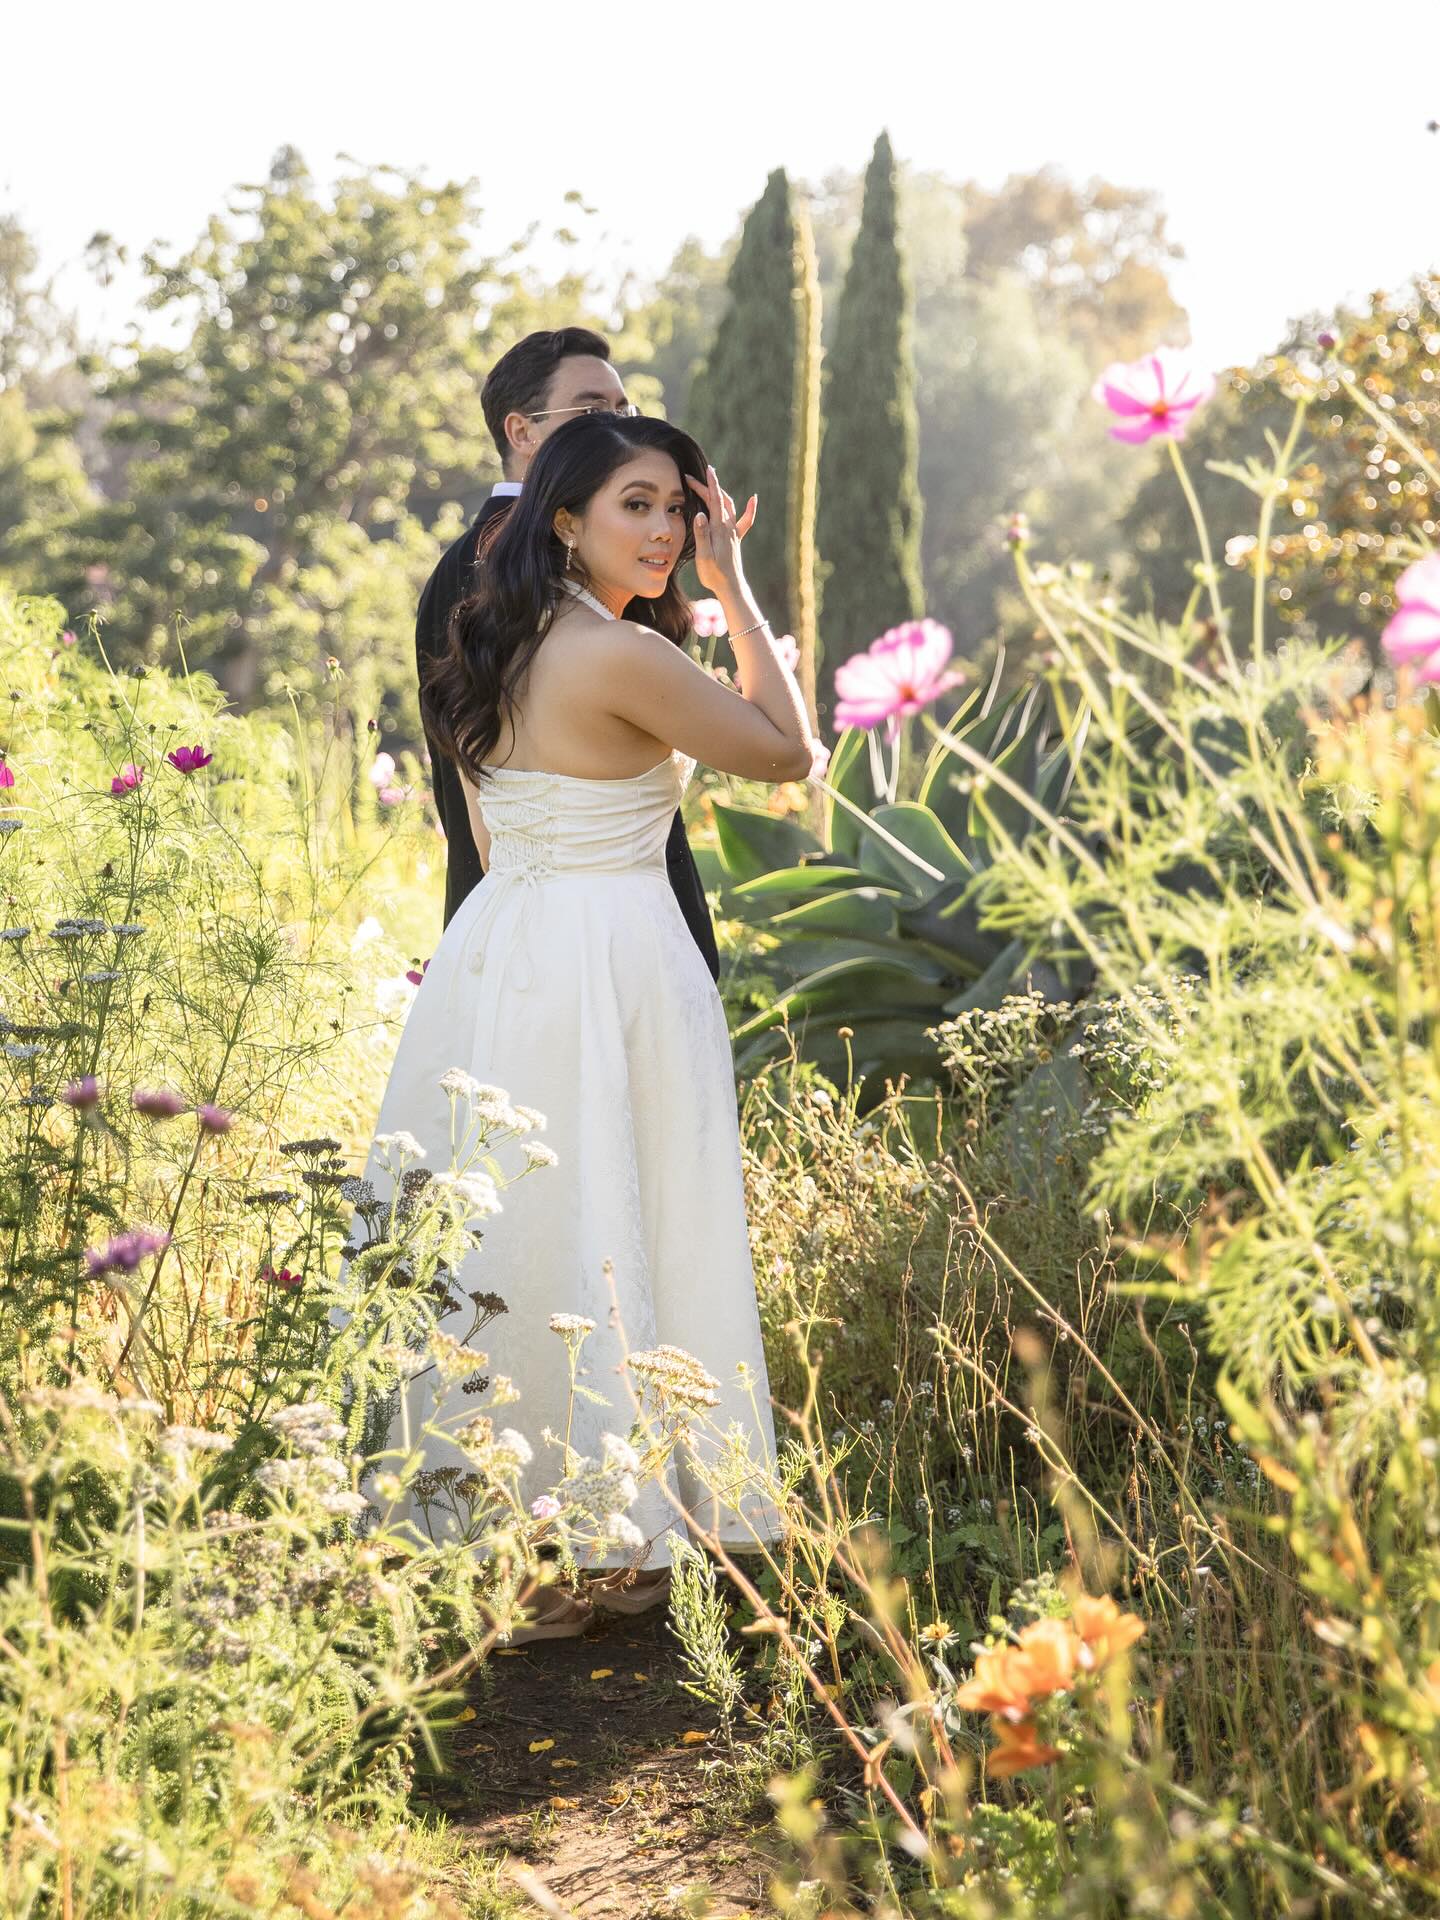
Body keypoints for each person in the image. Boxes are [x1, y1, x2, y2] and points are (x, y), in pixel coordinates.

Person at [360, 411, 819, 1640]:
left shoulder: (489, 636)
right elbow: (791, 755)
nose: (668, 529)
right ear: (566, 518)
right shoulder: (616, 652)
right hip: (610, 951)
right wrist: (736, 588)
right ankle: (613, 1533)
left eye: (681, 506)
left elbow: (495, 832)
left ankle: (526, 1532)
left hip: (502, 949)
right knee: (621, 1225)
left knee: (526, 1231)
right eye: (638, 505)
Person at [415, 327, 723, 981]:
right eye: (592, 412)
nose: (616, 430)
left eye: (625, 411)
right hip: (562, 947)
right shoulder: (500, 570)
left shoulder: (575, 555)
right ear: (521, 432)